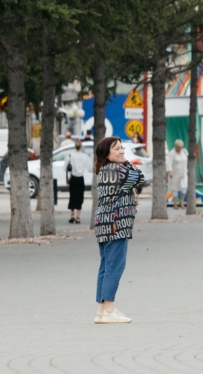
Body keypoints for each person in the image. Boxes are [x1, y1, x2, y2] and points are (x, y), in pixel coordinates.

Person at [93, 136, 145, 324]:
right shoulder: (117, 168)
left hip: (104, 223)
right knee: (115, 266)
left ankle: (100, 311)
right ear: (106, 153)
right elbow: (141, 177)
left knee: (106, 266)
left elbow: (127, 188)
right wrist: (128, 162)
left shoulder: (104, 169)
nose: (122, 151)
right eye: (116, 149)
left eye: (122, 148)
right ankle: (109, 310)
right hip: (116, 224)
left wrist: (131, 193)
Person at [66, 139, 92, 224]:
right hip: (80, 179)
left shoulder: (70, 156)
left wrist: (67, 178)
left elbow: (66, 168)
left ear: (75, 146)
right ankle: (78, 217)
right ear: (81, 147)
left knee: (72, 197)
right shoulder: (84, 156)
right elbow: (90, 168)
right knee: (79, 198)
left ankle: (72, 215)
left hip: (73, 178)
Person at [166, 139, 188, 209]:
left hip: (183, 172)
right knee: (174, 188)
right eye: (178, 147)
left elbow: (187, 161)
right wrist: (170, 171)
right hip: (175, 173)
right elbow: (169, 162)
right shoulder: (172, 153)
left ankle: (181, 202)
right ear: (175, 146)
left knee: (184, 187)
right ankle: (175, 203)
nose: (179, 149)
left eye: (180, 147)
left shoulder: (184, 152)